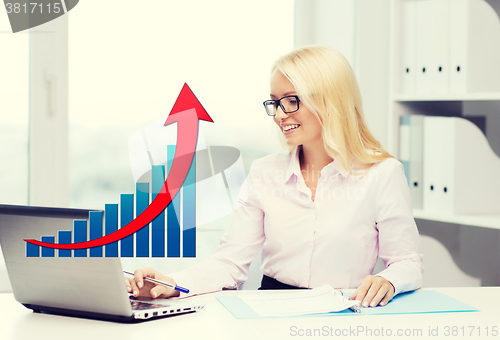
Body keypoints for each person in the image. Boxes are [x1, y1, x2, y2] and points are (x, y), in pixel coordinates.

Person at [126, 46, 423, 308]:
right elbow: (230, 262)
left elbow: (407, 262)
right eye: (275, 103)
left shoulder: (383, 174)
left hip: (344, 309)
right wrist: (173, 284)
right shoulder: (265, 172)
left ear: (331, 101)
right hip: (271, 308)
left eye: (291, 101)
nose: (280, 115)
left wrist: (389, 281)